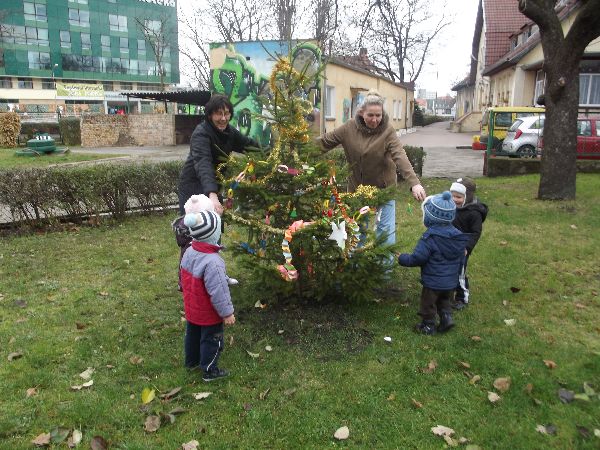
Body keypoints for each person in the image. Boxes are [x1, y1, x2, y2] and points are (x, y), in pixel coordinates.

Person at [318, 90, 426, 253]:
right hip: (357, 189)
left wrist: (414, 183)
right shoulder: (349, 128)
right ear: (361, 113)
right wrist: (299, 148)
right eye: (370, 115)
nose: (375, 120)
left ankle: (385, 271)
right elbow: (325, 142)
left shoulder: (387, 131)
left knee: (385, 231)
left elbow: (400, 156)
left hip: (383, 189)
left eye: (378, 115)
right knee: (356, 227)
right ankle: (356, 265)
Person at [398, 191, 469, 335]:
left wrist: (402, 258)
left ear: (430, 218)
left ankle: (428, 325)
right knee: (444, 300)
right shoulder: (458, 237)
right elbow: (462, 258)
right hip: (450, 281)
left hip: (433, 282)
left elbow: (418, 258)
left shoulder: (429, 238)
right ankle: (446, 318)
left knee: (428, 304)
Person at [178, 94, 259, 215]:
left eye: (226, 113)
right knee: (193, 228)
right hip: (193, 189)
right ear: (210, 115)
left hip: (214, 188)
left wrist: (276, 152)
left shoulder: (230, 132)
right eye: (218, 113)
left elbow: (250, 145)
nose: (223, 118)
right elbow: (203, 163)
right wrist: (212, 194)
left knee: (215, 228)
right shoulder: (201, 133)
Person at [180, 207, 236, 381]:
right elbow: (218, 290)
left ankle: (191, 362)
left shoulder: (189, 251)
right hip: (209, 312)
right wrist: (227, 313)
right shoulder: (213, 261)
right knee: (212, 339)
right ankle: (210, 370)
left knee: (193, 335)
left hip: (192, 307)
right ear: (214, 233)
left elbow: (184, 277)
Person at [449, 177, 488, 310]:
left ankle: (461, 297)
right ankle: (447, 291)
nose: (454, 199)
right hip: (448, 244)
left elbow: (476, 233)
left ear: (468, 197)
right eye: (452, 196)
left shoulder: (474, 213)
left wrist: (467, 247)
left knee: (459, 271)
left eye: (458, 197)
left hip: (462, 247)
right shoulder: (451, 207)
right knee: (448, 268)